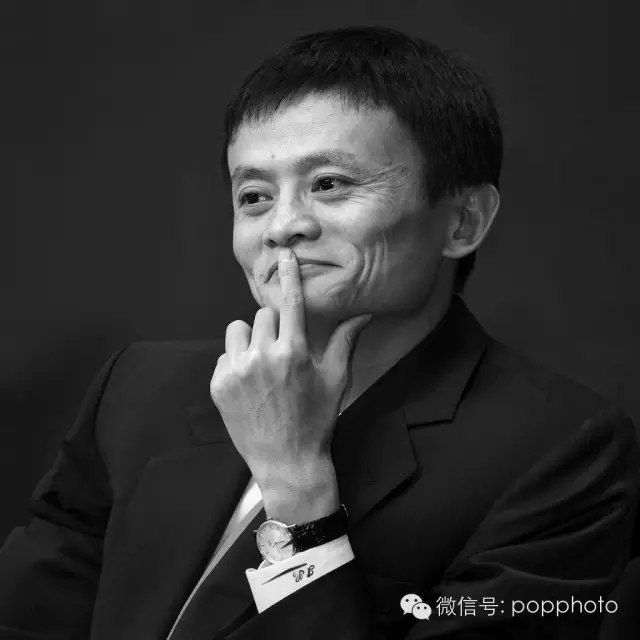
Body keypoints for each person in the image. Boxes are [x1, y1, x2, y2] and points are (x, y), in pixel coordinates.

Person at [0, 25, 638, 640]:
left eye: (329, 184)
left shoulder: (564, 454)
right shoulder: (136, 390)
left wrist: (296, 482)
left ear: (462, 221)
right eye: (254, 196)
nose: (282, 227)